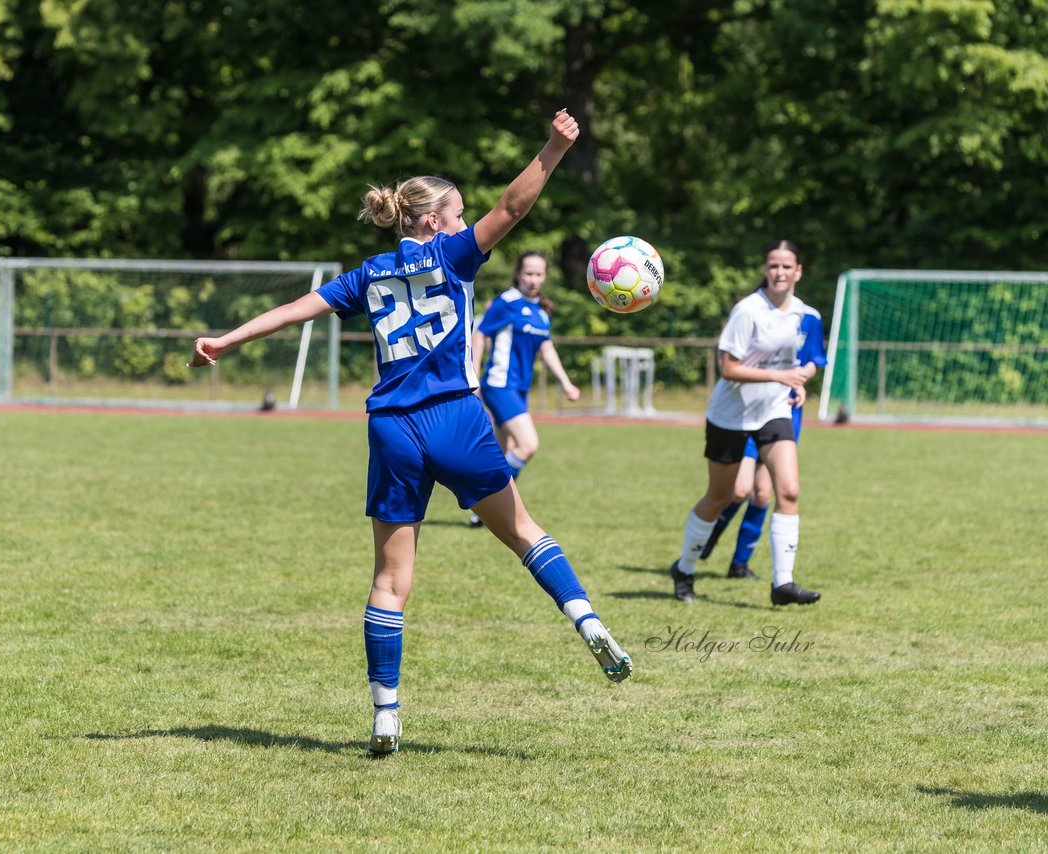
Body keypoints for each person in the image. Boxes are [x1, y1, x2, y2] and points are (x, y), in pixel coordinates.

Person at [187, 110, 631, 757]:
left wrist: (224, 340)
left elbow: (294, 311)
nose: (463, 222)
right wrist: (555, 148)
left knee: (390, 582)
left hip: (392, 427)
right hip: (456, 416)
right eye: (457, 214)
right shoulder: (452, 255)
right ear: (432, 223)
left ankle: (386, 715)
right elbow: (512, 206)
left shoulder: (367, 274)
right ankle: (587, 621)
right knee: (524, 533)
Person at [668, 239, 822, 606]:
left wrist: (796, 383)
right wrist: (781, 377)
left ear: (798, 271)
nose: (779, 273)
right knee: (721, 496)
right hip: (730, 414)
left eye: (787, 266)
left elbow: (799, 363)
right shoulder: (748, 310)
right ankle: (685, 568)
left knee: (788, 491)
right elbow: (729, 368)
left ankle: (782, 584)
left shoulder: (803, 313)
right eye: (773, 266)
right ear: (765, 269)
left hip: (773, 410)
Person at [698, 300, 827, 579]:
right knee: (739, 489)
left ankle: (739, 564)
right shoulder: (755, 312)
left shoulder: (810, 317)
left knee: (762, 494)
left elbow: (814, 360)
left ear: (798, 272)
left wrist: (802, 378)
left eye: (788, 267)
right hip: (748, 411)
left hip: (784, 413)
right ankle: (708, 534)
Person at [467, 251, 581, 527]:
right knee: (528, 445)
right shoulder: (507, 302)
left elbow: (546, 347)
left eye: (539, 274)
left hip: (518, 389)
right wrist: (472, 375)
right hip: (499, 384)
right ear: (518, 273)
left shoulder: (541, 313)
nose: (533, 279)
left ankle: (482, 509)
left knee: (503, 453)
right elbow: (480, 334)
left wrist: (565, 382)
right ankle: (488, 501)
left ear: (545, 277)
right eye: (528, 273)